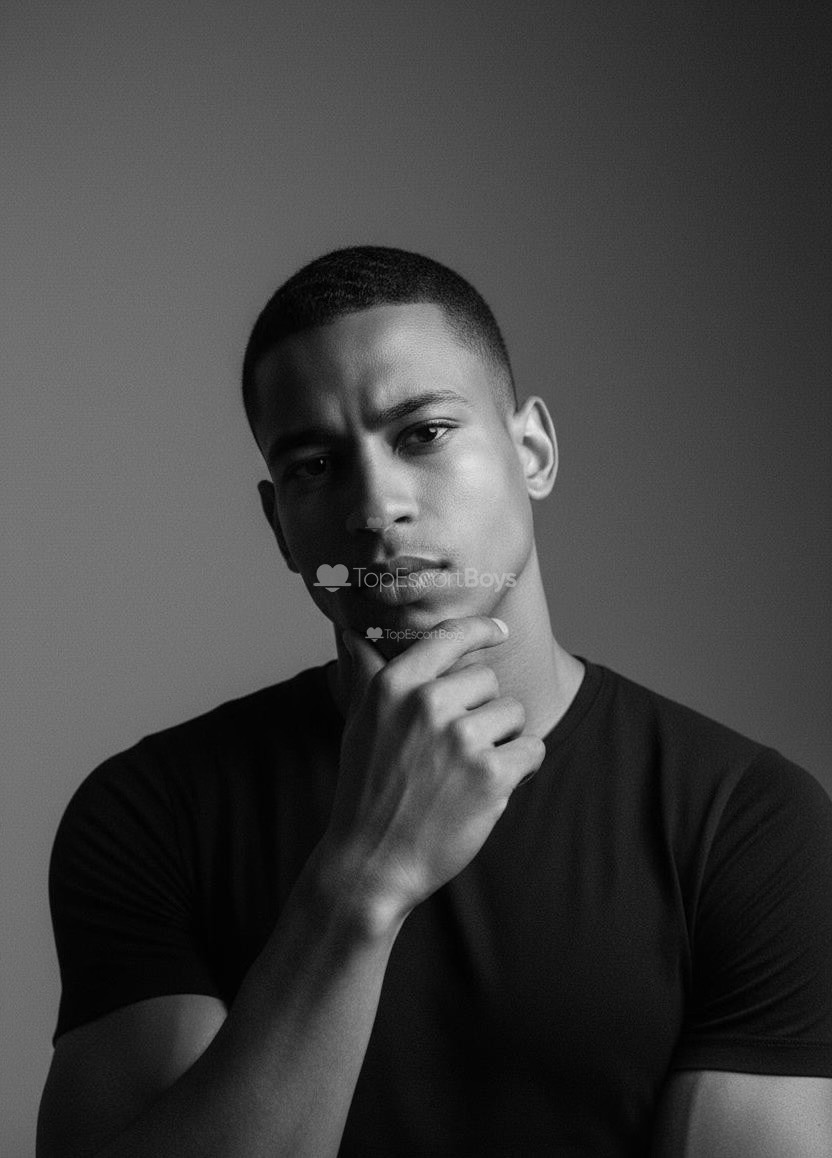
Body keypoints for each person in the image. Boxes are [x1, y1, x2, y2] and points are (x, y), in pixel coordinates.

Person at [37, 246, 832, 1157]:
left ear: (532, 453)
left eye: (423, 433)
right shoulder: (150, 814)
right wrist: (361, 884)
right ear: (280, 527)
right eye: (314, 465)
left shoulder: (746, 823)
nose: (376, 507)